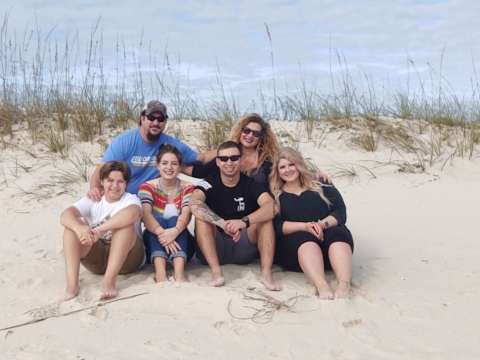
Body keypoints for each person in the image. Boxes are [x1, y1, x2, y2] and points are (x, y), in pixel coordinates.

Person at [189, 141, 281, 291]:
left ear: (241, 160)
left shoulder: (250, 185)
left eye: (234, 158)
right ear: (217, 162)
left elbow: (272, 207)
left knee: (266, 220)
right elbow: (194, 203)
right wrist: (221, 223)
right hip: (214, 245)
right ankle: (216, 272)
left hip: (243, 246)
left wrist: (243, 222)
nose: (229, 163)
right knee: (201, 219)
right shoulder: (208, 183)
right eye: (224, 159)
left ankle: (266, 273)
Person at [269, 147, 354, 300]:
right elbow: (275, 225)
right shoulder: (275, 194)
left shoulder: (321, 184)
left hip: (328, 241)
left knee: (337, 233)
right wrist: (304, 226)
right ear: (277, 171)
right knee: (305, 239)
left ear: (299, 165)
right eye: (282, 167)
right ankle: (321, 285)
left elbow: (340, 212)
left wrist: (321, 225)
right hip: (296, 251)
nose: (288, 170)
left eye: (291, 164)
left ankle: (344, 284)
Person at [87, 100, 216, 200]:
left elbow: (202, 158)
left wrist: (232, 149)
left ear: (165, 122)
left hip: (154, 200)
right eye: (151, 118)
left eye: (160, 119)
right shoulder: (123, 142)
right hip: (124, 199)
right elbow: (100, 172)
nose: (155, 122)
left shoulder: (171, 144)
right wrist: (94, 189)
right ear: (142, 118)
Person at [59, 161, 144, 301]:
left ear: (126, 184)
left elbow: (131, 214)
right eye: (110, 180)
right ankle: (72, 285)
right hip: (97, 260)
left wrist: (98, 231)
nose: (115, 186)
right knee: (71, 227)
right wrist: (80, 228)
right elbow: (65, 215)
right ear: (103, 181)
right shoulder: (94, 199)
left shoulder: (130, 199)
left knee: (125, 225)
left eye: (120, 181)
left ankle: (109, 281)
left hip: (128, 260)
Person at [186, 113, 331, 186]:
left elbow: (288, 171)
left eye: (256, 133)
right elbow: (202, 171)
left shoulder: (267, 160)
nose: (250, 135)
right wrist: (175, 166)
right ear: (240, 130)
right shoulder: (229, 155)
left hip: (260, 210)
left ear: (261, 137)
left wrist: (313, 175)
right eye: (247, 130)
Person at [138, 144, 194, 283]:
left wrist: (174, 232)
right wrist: (164, 235)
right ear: (158, 165)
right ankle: (160, 273)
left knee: (175, 219)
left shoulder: (188, 187)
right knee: (160, 221)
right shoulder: (148, 186)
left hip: (182, 241)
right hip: (153, 241)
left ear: (180, 167)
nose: (169, 167)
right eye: (164, 163)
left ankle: (179, 273)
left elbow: (187, 213)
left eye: (174, 163)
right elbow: (146, 215)